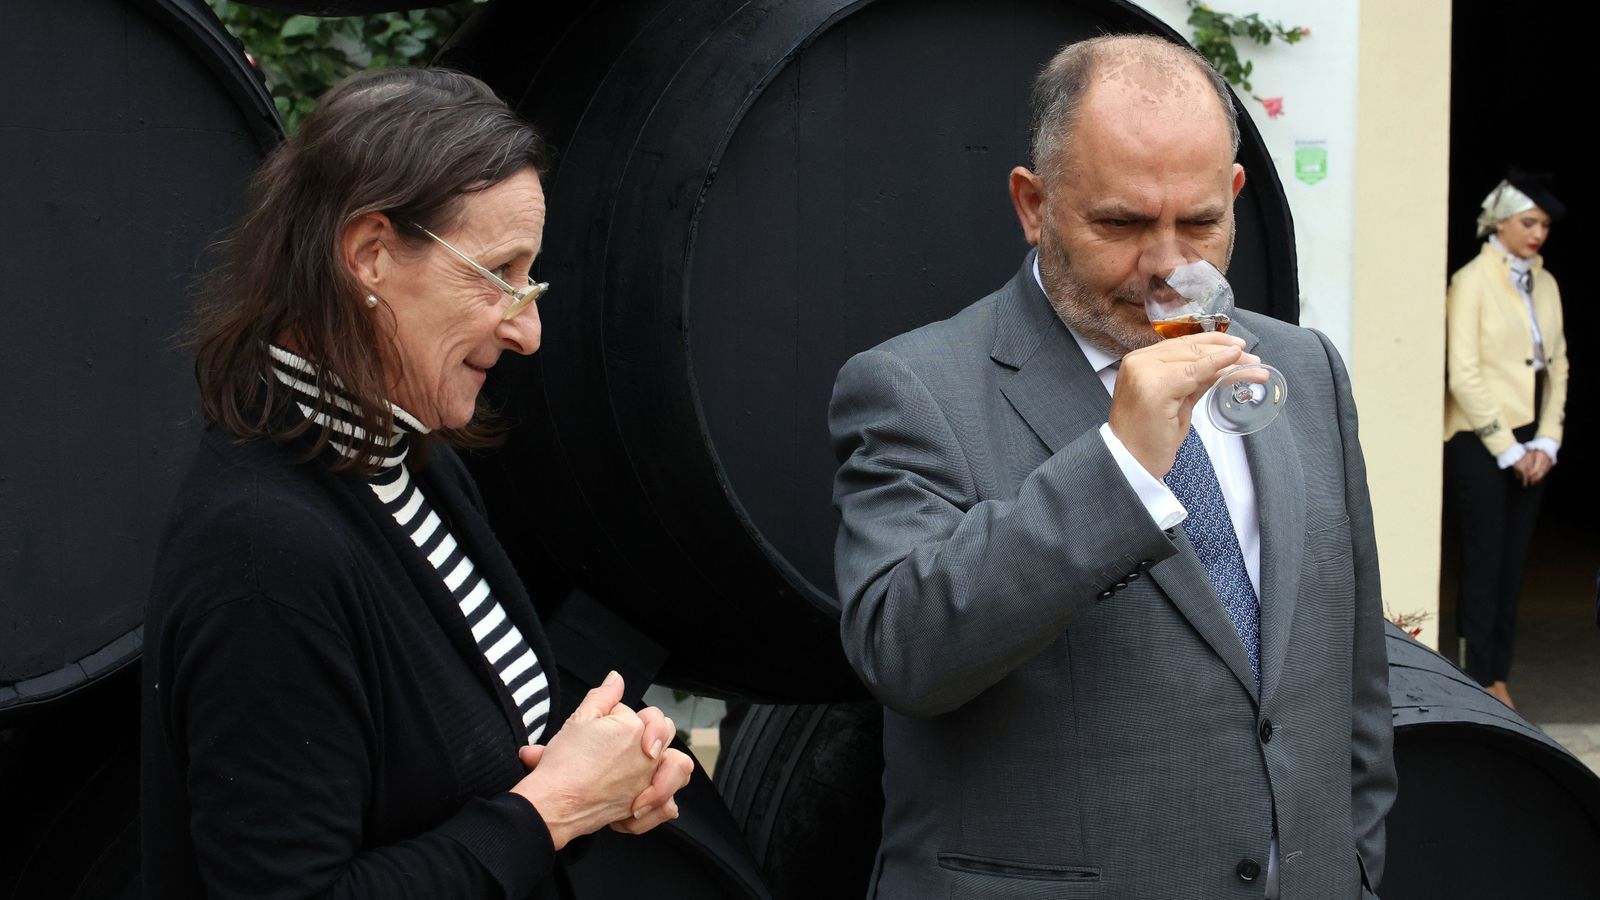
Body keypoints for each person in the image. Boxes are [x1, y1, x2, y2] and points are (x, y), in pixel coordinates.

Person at [829, 35, 1395, 899]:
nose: (1168, 266)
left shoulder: (1303, 369)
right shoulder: (914, 388)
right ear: (1033, 203)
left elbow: (1352, 677)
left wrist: (1355, 869)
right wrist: (1118, 466)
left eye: (1200, 222)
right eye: (1122, 224)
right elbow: (905, 652)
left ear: (1235, 194)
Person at [141, 68, 695, 899]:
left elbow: (461, 789)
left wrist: (602, 779)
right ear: (368, 256)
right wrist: (554, 807)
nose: (529, 329)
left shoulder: (400, 461)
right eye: (500, 272)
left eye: (531, 276)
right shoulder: (262, 554)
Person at [1443, 172, 1568, 709]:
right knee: (1484, 561)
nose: (1539, 232)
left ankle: (1500, 675)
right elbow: (1463, 373)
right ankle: (1477, 680)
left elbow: (1558, 366)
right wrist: (1508, 447)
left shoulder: (1546, 282)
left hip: (1532, 440)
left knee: (1514, 562)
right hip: (1480, 437)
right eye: (1529, 222)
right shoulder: (1471, 280)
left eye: (1544, 225)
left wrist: (1547, 440)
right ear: (1501, 221)